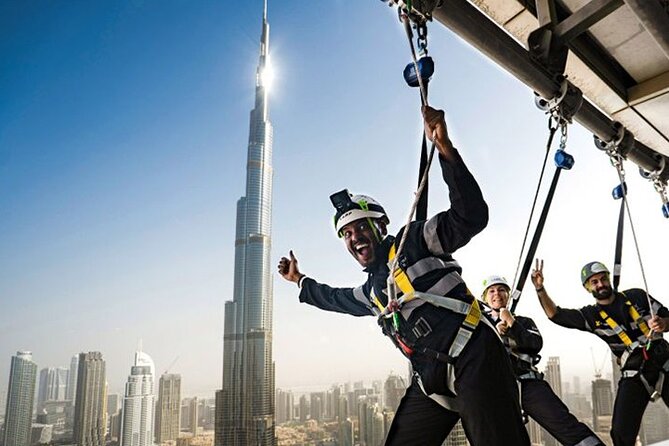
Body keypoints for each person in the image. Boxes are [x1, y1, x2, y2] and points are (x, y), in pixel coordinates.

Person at [278, 106, 530, 446]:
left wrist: (445, 150)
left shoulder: (414, 241)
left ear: (379, 226)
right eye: (346, 235)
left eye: (359, 227)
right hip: (431, 381)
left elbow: (470, 217)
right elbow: (333, 298)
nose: (354, 239)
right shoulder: (372, 292)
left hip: (476, 358)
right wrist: (300, 281)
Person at [531, 259, 669, 446]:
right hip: (635, 373)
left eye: (603, 279)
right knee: (620, 434)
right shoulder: (592, 316)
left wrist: (662, 323)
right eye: (594, 282)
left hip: (663, 361)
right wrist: (540, 289)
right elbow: (556, 315)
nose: (601, 284)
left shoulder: (636, 296)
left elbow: (666, 317)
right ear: (588, 287)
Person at [481, 275, 604, 446]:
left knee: (564, 424)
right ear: (484, 298)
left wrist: (512, 323)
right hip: (497, 389)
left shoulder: (524, 322)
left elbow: (535, 344)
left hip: (528, 383)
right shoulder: (481, 325)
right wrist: (494, 331)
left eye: (502, 290)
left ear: (508, 295)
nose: (497, 294)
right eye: (492, 291)